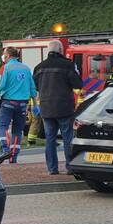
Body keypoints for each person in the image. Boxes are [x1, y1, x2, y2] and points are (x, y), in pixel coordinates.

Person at [33, 40, 83, 175]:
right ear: (61, 50)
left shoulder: (39, 67)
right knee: (67, 138)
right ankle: (70, 167)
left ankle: (52, 169)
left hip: (46, 108)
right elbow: (78, 84)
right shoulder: (68, 65)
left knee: (50, 139)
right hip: (64, 107)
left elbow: (36, 86)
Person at [0, 47, 36, 163]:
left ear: (8, 56)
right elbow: (32, 89)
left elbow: (0, 85)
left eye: (4, 54)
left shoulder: (5, 68)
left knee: (2, 126)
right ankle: (13, 157)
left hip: (8, 103)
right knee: (17, 130)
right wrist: (35, 105)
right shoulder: (26, 69)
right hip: (22, 104)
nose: (3, 56)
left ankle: (5, 149)